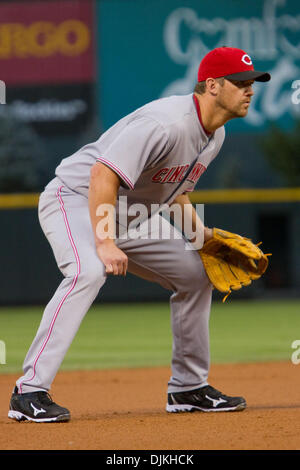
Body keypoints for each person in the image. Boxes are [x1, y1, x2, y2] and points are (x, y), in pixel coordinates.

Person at [8, 47, 270, 422]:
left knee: (197, 275)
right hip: (76, 199)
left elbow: (175, 191)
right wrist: (104, 241)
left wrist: (203, 239)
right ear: (212, 85)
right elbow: (103, 176)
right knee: (88, 272)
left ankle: (188, 388)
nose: (250, 89)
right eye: (242, 82)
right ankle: (29, 391)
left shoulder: (215, 135)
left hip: (133, 213)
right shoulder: (166, 123)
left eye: (253, 83)